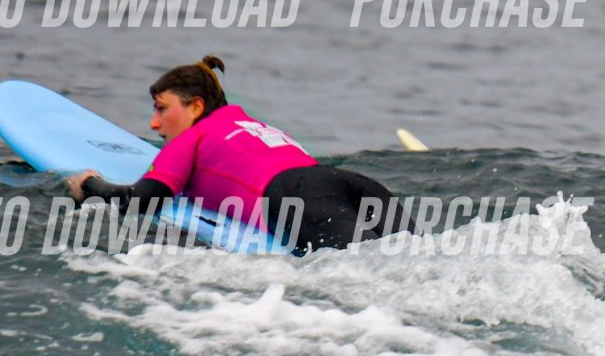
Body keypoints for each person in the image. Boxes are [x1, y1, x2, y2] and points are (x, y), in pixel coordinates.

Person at [65, 56, 402, 252]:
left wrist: (91, 185)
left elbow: (141, 200)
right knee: (415, 262)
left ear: (196, 106)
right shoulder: (254, 127)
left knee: (370, 277)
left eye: (162, 108)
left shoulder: (191, 139)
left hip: (294, 195)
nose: (154, 123)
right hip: (352, 184)